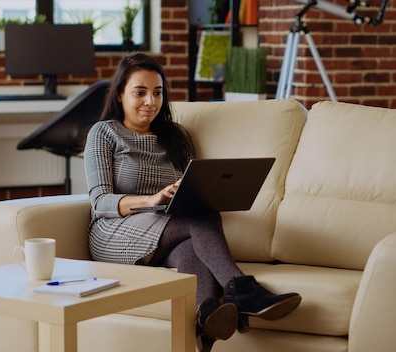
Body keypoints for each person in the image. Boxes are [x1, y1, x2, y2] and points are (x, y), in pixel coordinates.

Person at [83, 52, 301, 352]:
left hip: (166, 230)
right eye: (140, 93)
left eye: (157, 93)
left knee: (195, 242)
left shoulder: (177, 136)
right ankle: (241, 290)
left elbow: (192, 186)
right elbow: (99, 201)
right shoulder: (105, 132)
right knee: (199, 216)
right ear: (120, 95)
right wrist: (152, 199)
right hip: (114, 230)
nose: (150, 101)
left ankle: (206, 319)